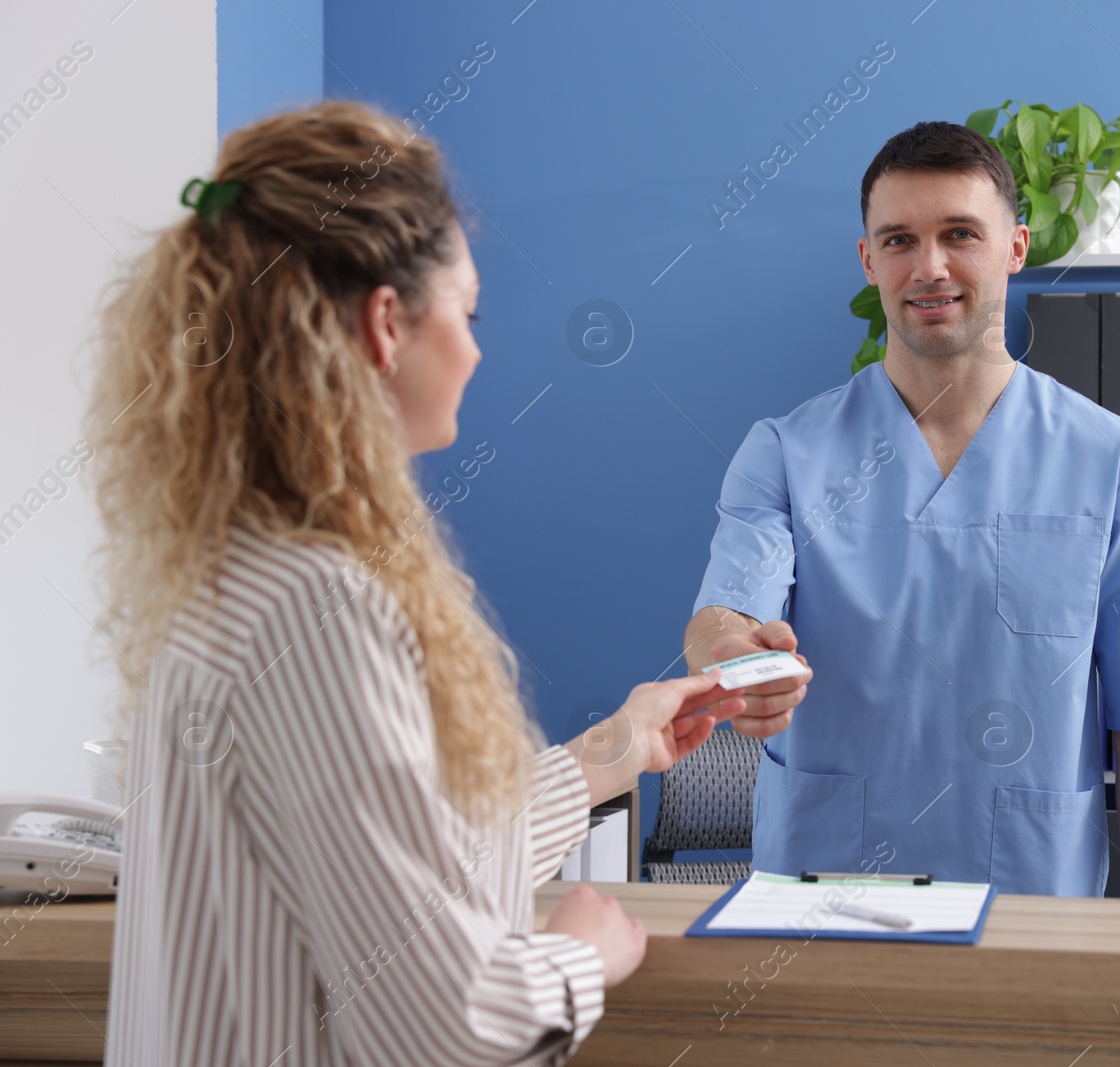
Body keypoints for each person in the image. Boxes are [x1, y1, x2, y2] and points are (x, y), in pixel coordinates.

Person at [87, 100, 745, 1065]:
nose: (477, 350)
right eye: (468, 313)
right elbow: (446, 1023)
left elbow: (393, 877)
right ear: (387, 322)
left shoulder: (239, 575)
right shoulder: (323, 612)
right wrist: (578, 953)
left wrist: (618, 746)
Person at [683, 121, 1120, 899]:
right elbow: (725, 612)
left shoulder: (1114, 462)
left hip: (1031, 906)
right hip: (821, 903)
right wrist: (734, 656)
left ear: (1015, 248)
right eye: (900, 239)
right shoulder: (784, 452)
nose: (930, 266)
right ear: (868, 258)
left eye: (959, 234)